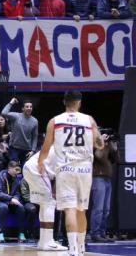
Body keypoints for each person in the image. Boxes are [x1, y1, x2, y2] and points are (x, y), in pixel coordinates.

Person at [38, 90, 104, 256]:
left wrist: (40, 163)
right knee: (81, 209)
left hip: (65, 169)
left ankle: (73, 249)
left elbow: (46, 148)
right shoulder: (89, 120)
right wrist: (98, 136)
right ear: (79, 102)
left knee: (70, 210)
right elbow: (100, 145)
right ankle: (82, 249)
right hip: (84, 169)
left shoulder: (55, 121)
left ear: (64, 102)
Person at [23, 149, 67, 251]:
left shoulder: (60, 144)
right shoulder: (66, 151)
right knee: (50, 203)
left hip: (29, 167)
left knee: (44, 204)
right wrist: (55, 194)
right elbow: (59, 177)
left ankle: (43, 241)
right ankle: (48, 241)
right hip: (36, 169)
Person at [90, 129, 119, 242]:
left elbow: (117, 160)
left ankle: (102, 233)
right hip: (98, 179)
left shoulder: (107, 146)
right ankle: (95, 233)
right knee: (98, 209)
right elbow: (100, 157)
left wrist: (114, 147)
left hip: (107, 179)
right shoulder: (96, 145)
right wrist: (102, 143)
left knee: (106, 210)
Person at [0, 160, 27, 244]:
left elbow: (17, 193)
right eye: (15, 169)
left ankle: (21, 234)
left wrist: (15, 199)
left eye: (18, 170)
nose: (17, 172)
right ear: (9, 168)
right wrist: (10, 199)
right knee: (3, 207)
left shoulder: (16, 179)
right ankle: (0, 234)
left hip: (9, 201)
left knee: (21, 208)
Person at [1, 97, 39, 165]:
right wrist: (11, 102)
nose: (29, 108)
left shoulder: (35, 121)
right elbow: (3, 113)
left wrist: (33, 151)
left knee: (25, 170)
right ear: (22, 109)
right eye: (27, 106)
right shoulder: (16, 116)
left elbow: (35, 137)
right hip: (14, 148)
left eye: (30, 107)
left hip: (27, 150)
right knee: (14, 169)